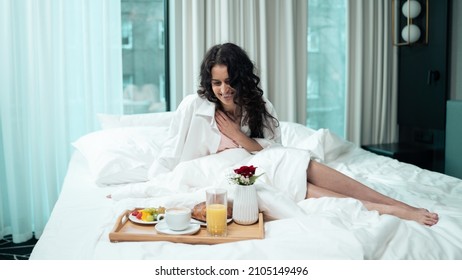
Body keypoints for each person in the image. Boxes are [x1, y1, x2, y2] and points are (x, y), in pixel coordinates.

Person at [131, 43, 440, 226]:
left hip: (263, 160)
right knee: (298, 181)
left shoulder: (259, 104)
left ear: (242, 79)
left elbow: (273, 150)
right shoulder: (193, 107)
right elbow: (170, 153)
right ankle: (390, 211)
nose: (224, 90)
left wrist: (239, 137)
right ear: (208, 83)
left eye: (230, 81)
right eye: (216, 83)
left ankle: (398, 204)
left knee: (301, 165)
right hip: (223, 175)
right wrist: (146, 189)